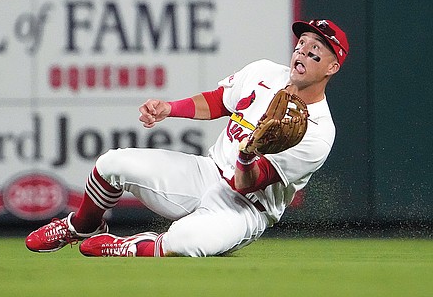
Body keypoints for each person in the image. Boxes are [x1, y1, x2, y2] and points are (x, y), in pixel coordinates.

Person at [25, 19, 349, 257]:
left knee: (189, 242)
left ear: (332, 67)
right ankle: (82, 225)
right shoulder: (265, 72)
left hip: (244, 208)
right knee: (112, 163)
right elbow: (219, 101)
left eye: (315, 49)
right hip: (205, 173)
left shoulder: (319, 131)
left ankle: (125, 246)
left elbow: (246, 184)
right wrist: (170, 108)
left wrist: (247, 155)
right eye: (302, 43)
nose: (302, 51)